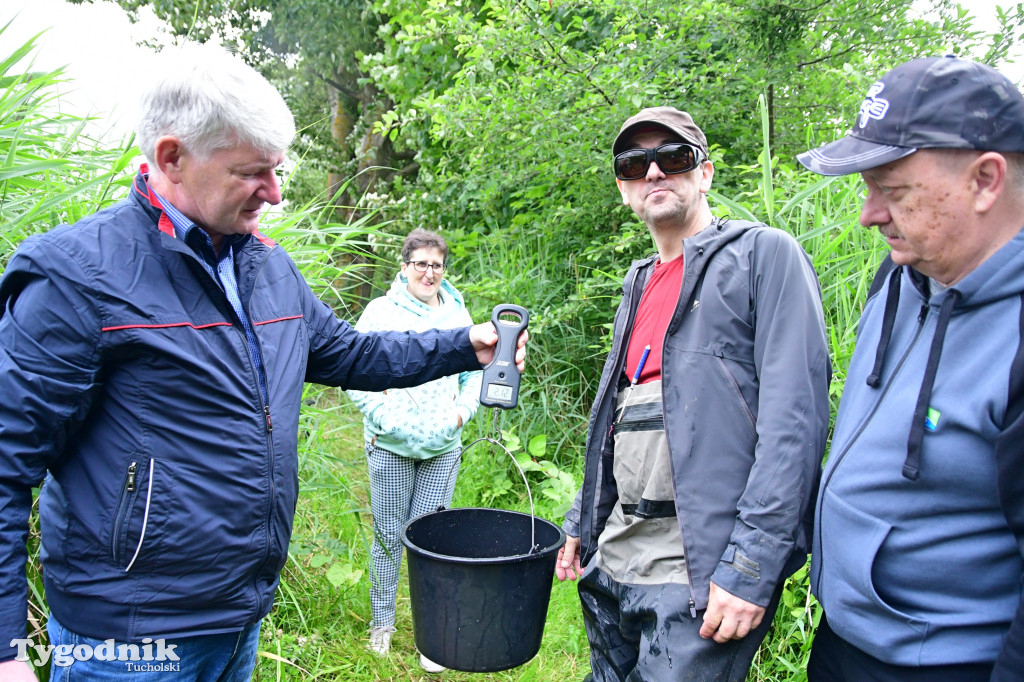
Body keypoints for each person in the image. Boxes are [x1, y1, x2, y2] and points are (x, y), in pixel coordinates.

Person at [0, 45, 525, 681]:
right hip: (129, 639)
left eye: (278, 170)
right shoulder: (76, 275)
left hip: (239, 618)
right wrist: (6, 650)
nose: (275, 194)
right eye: (253, 173)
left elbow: (349, 353)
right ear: (172, 157)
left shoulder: (264, 263)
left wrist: (463, 346)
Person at [555, 106, 831, 681]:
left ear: (704, 173)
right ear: (624, 189)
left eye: (673, 158)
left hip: (701, 566)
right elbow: (615, 414)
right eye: (635, 165)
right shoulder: (636, 283)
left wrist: (751, 568)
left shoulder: (764, 256)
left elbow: (794, 424)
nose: (654, 173)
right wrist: (585, 518)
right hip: (620, 553)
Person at [797, 56, 1024, 682]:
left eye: (892, 191)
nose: (870, 214)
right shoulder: (899, 278)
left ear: (985, 180)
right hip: (844, 641)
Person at [346, 228, 482, 673]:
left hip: (443, 447)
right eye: (420, 263)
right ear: (404, 267)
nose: (429, 272)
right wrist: (386, 417)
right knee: (388, 535)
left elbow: (474, 373)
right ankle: (382, 625)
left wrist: (462, 414)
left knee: (432, 542)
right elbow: (353, 372)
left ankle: (434, 636)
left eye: (436, 264)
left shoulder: (458, 312)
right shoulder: (379, 312)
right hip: (390, 446)